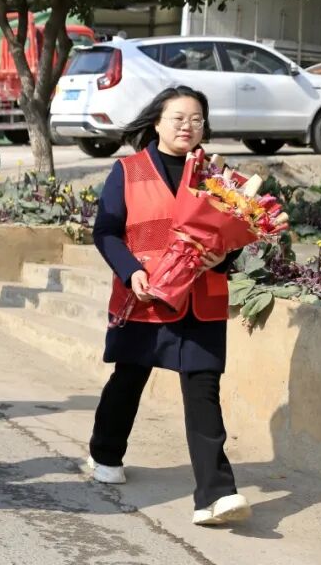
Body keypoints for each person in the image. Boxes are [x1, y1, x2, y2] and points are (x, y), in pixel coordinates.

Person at [88, 86, 251, 527]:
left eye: (196, 119)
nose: (187, 126)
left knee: (203, 390)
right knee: (129, 377)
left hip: (202, 300)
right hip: (147, 296)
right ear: (157, 122)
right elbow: (106, 231)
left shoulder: (219, 176)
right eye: (178, 118)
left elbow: (235, 231)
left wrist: (223, 257)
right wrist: (130, 272)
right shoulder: (128, 171)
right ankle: (105, 452)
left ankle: (215, 496)